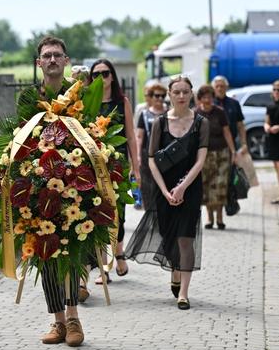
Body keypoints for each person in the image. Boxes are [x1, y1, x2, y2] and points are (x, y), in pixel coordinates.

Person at [19, 36, 84, 346]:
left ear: (66, 60)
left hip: (75, 183)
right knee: (46, 251)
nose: (53, 60)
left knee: (70, 250)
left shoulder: (79, 95)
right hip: (39, 185)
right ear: (39, 63)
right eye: (47, 55)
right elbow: (19, 139)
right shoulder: (28, 98)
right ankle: (57, 322)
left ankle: (74, 319)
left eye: (58, 55)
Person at [125, 75, 209, 310]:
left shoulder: (201, 122)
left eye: (185, 92)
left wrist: (182, 187)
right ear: (170, 95)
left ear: (191, 94)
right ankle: (175, 270)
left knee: (186, 238)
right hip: (162, 188)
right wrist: (165, 190)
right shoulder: (159, 123)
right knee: (168, 236)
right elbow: (151, 159)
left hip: (190, 187)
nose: (181, 96)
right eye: (177, 92)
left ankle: (183, 292)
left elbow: (201, 160)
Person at [88, 59, 141, 284]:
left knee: (118, 213)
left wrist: (136, 168)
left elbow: (130, 136)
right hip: (93, 167)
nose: (102, 77)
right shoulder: (86, 103)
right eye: (97, 73)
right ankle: (103, 268)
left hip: (118, 166)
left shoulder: (122, 102)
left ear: (113, 76)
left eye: (106, 73)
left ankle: (119, 253)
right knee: (98, 215)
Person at [195, 84, 237, 230]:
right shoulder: (196, 114)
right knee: (206, 185)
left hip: (222, 153)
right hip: (203, 155)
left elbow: (227, 132)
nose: (207, 100)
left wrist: (233, 151)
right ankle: (209, 218)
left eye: (210, 97)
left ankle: (219, 217)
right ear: (200, 99)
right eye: (205, 97)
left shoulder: (220, 112)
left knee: (220, 185)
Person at [136, 83, 167, 210]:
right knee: (147, 185)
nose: (159, 99)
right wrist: (137, 155)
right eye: (157, 96)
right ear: (151, 97)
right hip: (147, 153)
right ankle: (150, 212)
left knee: (163, 184)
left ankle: (162, 215)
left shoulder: (169, 113)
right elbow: (139, 136)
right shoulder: (144, 114)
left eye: (162, 96)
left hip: (166, 153)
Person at [212, 75, 248, 153]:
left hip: (231, 144)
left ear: (226, 87)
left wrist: (244, 143)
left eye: (222, 86)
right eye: (217, 86)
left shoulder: (234, 103)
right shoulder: (210, 104)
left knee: (232, 165)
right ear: (213, 88)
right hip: (213, 145)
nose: (219, 89)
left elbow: (240, 125)